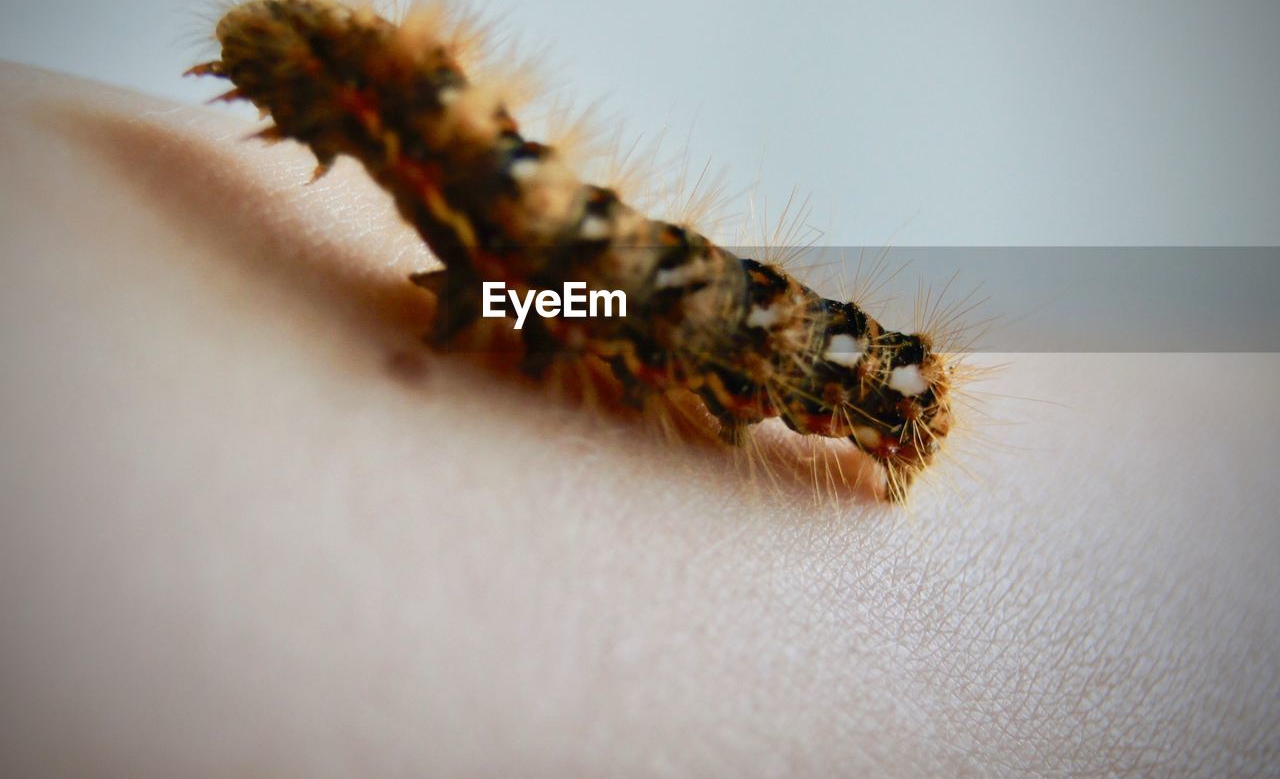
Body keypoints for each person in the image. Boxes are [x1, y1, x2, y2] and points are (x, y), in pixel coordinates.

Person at [1, 60, 1275, 776]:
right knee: (542, 284)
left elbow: (542, 286)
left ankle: (865, 381)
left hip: (718, 329)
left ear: (368, 122)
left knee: (558, 284)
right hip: (605, 295)